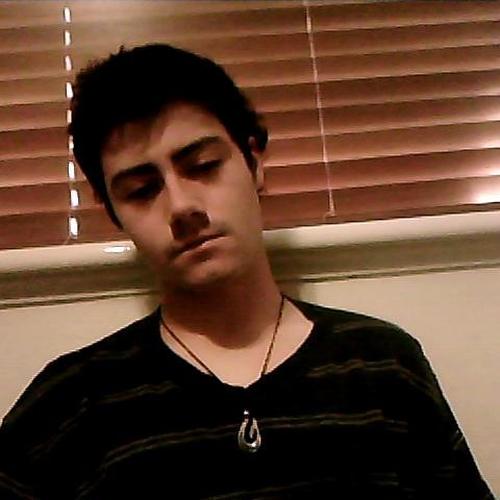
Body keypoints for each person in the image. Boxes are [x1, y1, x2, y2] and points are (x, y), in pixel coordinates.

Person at [0, 44, 494, 499]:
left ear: (254, 163)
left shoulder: (383, 366)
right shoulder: (73, 401)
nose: (182, 206)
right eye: (142, 190)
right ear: (113, 213)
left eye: (203, 165)